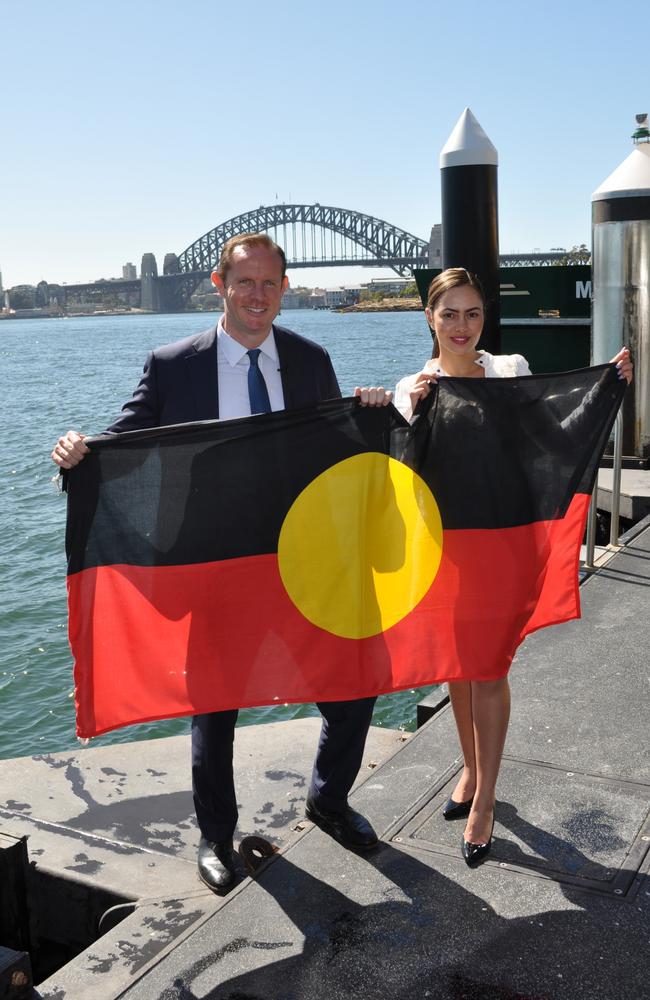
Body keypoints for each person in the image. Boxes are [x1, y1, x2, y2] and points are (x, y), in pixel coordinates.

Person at [52, 233, 393, 893]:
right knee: (214, 708)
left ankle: (328, 799)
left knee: (352, 683)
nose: (257, 296)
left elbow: (337, 453)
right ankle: (214, 837)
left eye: (269, 283)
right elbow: (124, 441)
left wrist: (377, 412)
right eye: (245, 283)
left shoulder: (310, 359)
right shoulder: (173, 365)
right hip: (216, 568)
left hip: (302, 563)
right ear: (219, 285)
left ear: (284, 288)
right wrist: (77, 451)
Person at [394, 267, 633, 867]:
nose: (461, 326)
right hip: (442, 552)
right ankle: (471, 771)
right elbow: (394, 470)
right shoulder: (413, 386)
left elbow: (551, 438)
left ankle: (486, 800)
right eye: (449, 313)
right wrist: (402, 413)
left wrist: (606, 386)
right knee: (458, 665)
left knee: (490, 669)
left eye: (472, 313)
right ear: (429, 316)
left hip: (501, 548)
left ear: (484, 320)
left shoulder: (508, 372)